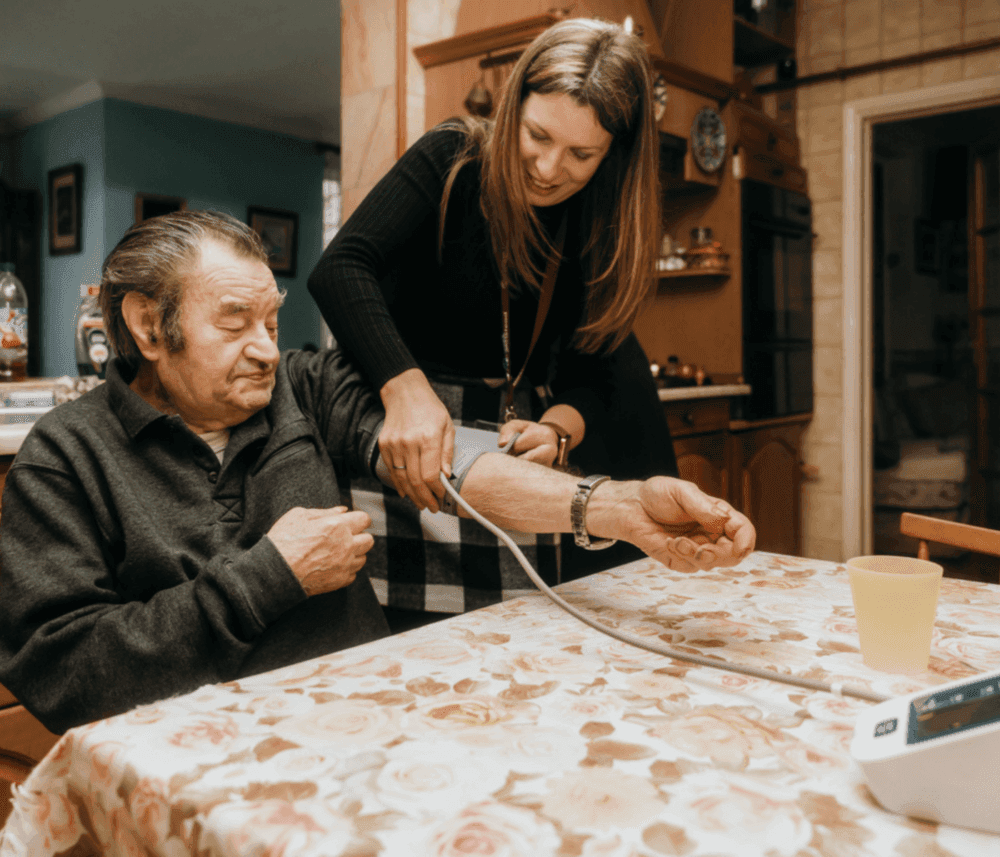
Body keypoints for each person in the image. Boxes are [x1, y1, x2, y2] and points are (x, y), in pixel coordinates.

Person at [0, 211, 753, 735]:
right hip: (189, 760)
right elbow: (66, 674)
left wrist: (615, 506)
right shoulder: (64, 458)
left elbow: (457, 464)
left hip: (360, 726)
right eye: (235, 322)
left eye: (271, 320)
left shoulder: (304, 386)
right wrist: (269, 576)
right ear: (144, 323)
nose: (266, 347)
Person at [309, 17, 677, 625]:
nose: (549, 167)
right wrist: (407, 393)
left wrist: (557, 429)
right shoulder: (453, 157)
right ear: (514, 107)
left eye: (581, 154)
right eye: (537, 135)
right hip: (400, 431)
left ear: (613, 155)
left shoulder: (600, 218)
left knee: (510, 650)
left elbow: (597, 364)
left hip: (507, 456)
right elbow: (342, 268)